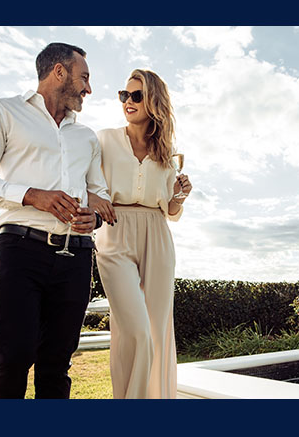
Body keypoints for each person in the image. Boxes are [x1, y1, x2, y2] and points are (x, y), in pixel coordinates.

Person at [0, 42, 110, 399]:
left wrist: (94, 219)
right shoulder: (1, 112)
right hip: (21, 249)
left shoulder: (86, 137)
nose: (89, 88)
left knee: (57, 362)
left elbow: (97, 195)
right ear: (59, 71)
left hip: (77, 257)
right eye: (84, 77)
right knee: (14, 355)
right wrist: (31, 195)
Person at [89, 69, 192, 399]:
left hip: (157, 235)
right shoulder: (103, 139)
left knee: (158, 332)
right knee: (134, 331)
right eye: (124, 95)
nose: (128, 102)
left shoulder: (166, 152)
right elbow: (86, 184)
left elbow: (171, 213)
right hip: (114, 231)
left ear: (154, 102)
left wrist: (179, 195)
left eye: (136, 95)